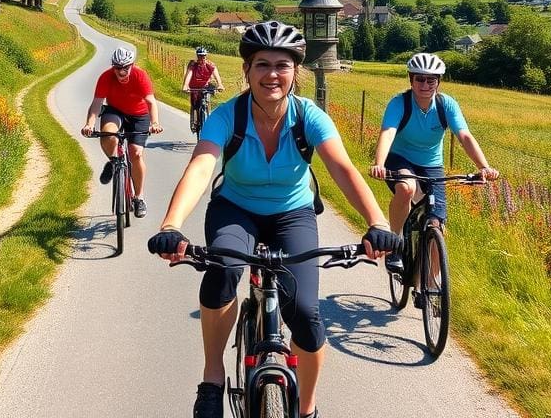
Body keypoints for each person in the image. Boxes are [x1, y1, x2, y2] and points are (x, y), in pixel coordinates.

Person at [147, 21, 400, 418]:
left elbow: (344, 170)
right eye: (261, 64)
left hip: (292, 214)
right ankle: (212, 378)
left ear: (295, 72)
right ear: (246, 71)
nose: (272, 74)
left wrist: (378, 222)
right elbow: (201, 166)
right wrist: (171, 225)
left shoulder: (308, 116)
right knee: (223, 273)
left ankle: (308, 409)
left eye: (282, 65)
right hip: (236, 209)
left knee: (304, 312)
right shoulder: (228, 116)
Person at [369, 52, 499, 274]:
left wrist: (483, 167)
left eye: (431, 79)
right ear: (411, 80)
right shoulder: (400, 103)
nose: (425, 84)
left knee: (437, 228)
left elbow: (464, 136)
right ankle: (395, 243)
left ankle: (429, 292)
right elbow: (388, 132)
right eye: (420, 79)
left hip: (431, 165)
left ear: (439, 81)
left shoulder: (446, 105)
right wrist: (379, 163)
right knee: (406, 187)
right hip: (400, 158)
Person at [82, 46, 163, 218]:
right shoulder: (105, 77)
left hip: (139, 115)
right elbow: (96, 104)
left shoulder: (140, 76)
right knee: (107, 134)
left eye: (125, 67)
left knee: (136, 154)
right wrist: (89, 124)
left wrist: (155, 122)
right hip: (115, 110)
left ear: (132, 65)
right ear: (113, 66)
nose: (121, 71)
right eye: (117, 67)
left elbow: (151, 102)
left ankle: (139, 198)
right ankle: (113, 162)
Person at [182, 47, 225, 132]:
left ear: (206, 56)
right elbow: (189, 74)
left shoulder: (210, 64)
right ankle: (194, 121)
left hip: (205, 87)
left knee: (207, 100)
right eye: (200, 56)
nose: (202, 58)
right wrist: (185, 85)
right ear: (197, 56)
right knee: (195, 103)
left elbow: (216, 75)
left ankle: (207, 117)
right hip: (194, 87)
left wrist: (220, 85)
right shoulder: (193, 65)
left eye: (203, 56)